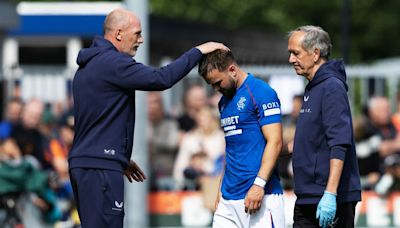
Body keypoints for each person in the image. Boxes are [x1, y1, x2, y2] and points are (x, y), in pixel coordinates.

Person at [68, 8, 228, 228]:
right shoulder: (112, 63)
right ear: (118, 33)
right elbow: (162, 79)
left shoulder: (89, 67)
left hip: (90, 163)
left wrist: (119, 156)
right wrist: (199, 51)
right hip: (100, 168)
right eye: (137, 33)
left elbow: (97, 122)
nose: (141, 40)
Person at [199, 50, 285, 228]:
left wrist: (259, 185)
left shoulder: (261, 92)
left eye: (217, 83)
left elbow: (275, 142)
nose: (216, 89)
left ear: (232, 69)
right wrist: (221, 189)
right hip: (228, 200)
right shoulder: (223, 102)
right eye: (211, 85)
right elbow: (232, 149)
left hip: (260, 196)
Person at [287, 25, 361, 228]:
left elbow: (339, 142)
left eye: (296, 53)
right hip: (308, 196)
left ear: (316, 53)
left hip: (329, 197)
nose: (291, 59)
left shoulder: (331, 87)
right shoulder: (313, 87)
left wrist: (330, 193)